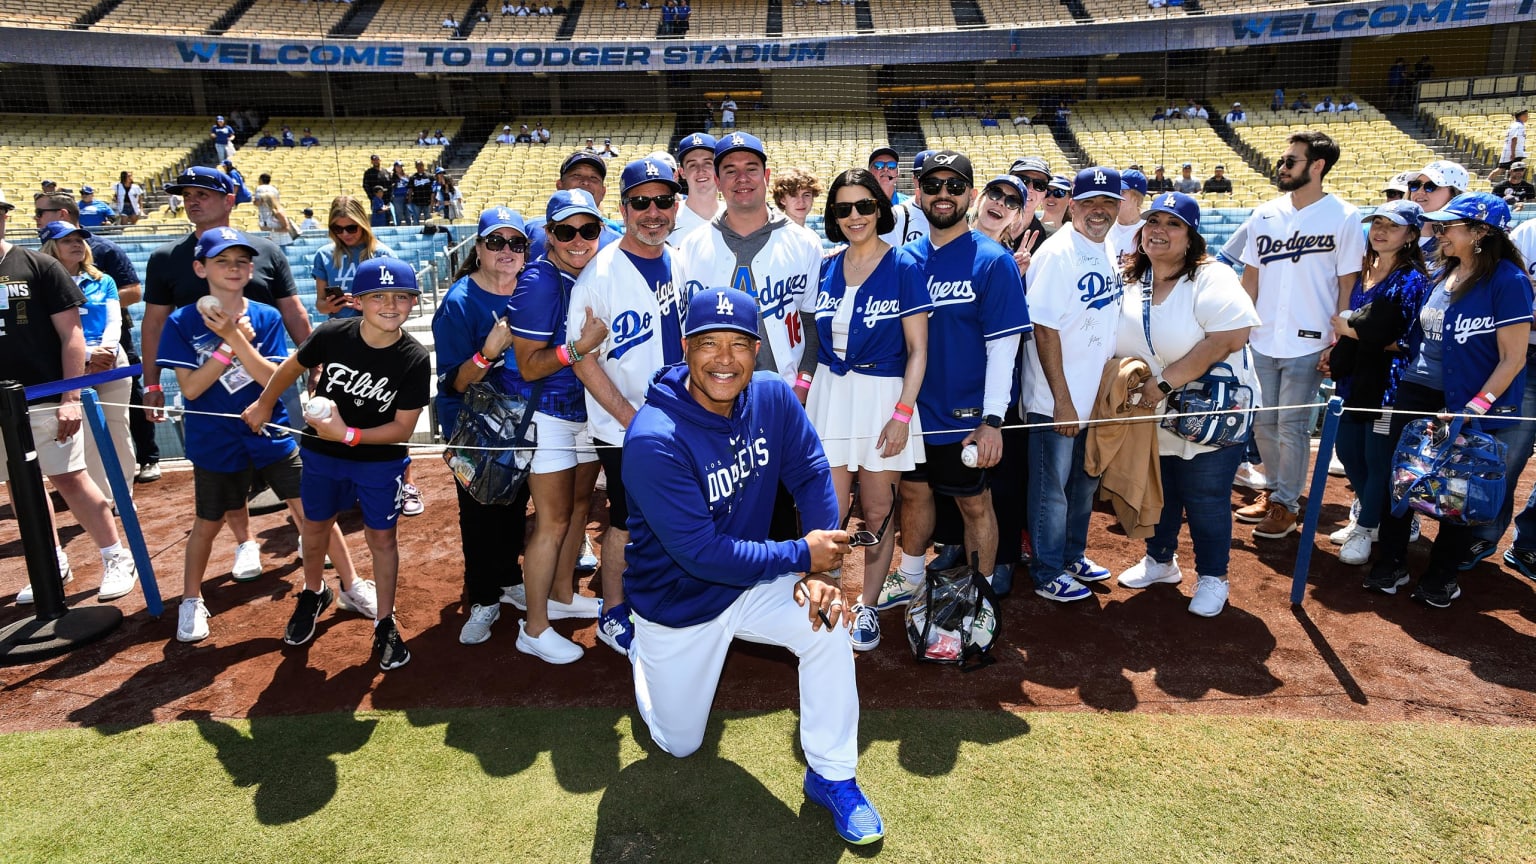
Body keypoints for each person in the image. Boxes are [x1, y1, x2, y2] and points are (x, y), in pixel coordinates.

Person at [621, 286, 883, 846]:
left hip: (751, 578)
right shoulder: (653, 438)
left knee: (829, 623)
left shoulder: (770, 394)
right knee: (679, 743)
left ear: (757, 347)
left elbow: (812, 472)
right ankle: (642, 653)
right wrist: (800, 555)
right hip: (680, 602)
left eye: (739, 344)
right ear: (684, 348)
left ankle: (833, 774)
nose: (724, 359)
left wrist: (819, 578)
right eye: (708, 344)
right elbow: (700, 553)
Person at [160, 229, 370, 642]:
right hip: (213, 436)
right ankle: (190, 599)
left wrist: (235, 338)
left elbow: (272, 378)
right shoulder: (181, 320)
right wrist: (226, 349)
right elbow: (191, 389)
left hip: (269, 429)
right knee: (208, 521)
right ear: (201, 268)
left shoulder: (266, 316)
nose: (234, 269)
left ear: (252, 268)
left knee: (314, 510)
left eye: (241, 261)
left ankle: (351, 584)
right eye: (222, 261)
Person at [243, 258, 431, 668]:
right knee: (315, 528)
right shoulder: (332, 334)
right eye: (378, 296)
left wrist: (348, 434)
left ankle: (384, 620)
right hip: (322, 456)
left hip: (379, 461)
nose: (390, 304)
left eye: (402, 296)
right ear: (358, 301)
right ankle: (314, 591)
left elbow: (402, 428)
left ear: (413, 302)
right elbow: (291, 366)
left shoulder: (414, 357)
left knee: (381, 539)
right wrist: (263, 403)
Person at [139, 167, 314, 581]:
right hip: (208, 388)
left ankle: (310, 535)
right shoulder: (166, 259)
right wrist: (150, 383)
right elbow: (153, 324)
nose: (192, 200)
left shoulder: (265, 251)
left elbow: (292, 309)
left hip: (268, 376)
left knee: (289, 463)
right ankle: (244, 542)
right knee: (225, 473)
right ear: (203, 269)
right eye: (187, 195)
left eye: (203, 193)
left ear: (229, 199)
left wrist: (314, 359)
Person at [1366, 194, 1531, 607]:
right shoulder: (1443, 273)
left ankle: (1441, 575)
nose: (1438, 233)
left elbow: (1514, 358)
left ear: (1481, 234)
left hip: (1472, 402)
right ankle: (1391, 562)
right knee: (1400, 480)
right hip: (1416, 391)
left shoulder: (1509, 281)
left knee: (1459, 492)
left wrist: (1475, 406)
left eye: (1448, 227)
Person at [887, 151, 1030, 606]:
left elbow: (1003, 349)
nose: (943, 194)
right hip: (911, 411)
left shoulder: (993, 261)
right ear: (918, 193)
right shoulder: (902, 258)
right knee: (912, 493)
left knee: (974, 503)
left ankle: (978, 591)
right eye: (933, 186)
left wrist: (992, 419)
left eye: (954, 186)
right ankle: (909, 575)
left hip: (965, 413)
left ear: (970, 193)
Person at [1112, 192, 1261, 617]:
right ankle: (1160, 561)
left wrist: (1163, 383)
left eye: (1172, 224)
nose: (1159, 230)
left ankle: (1214, 576)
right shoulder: (1131, 277)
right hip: (1154, 410)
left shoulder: (1212, 276)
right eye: (1153, 221)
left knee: (1206, 495)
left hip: (1209, 411)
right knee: (1162, 489)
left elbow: (1230, 338)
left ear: (1192, 236)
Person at [565, 159, 686, 656]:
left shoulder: (678, 260)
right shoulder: (600, 275)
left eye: (663, 201)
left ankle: (663, 593)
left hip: (680, 418)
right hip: (626, 427)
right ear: (623, 208)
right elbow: (583, 361)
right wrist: (632, 421)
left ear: (676, 206)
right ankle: (613, 610)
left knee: (678, 512)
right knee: (627, 520)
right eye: (641, 201)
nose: (653, 212)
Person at [806, 169, 930, 651]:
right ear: (834, 217)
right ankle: (829, 594)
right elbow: (815, 345)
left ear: (880, 208)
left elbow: (919, 349)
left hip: (883, 398)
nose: (854, 216)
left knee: (878, 510)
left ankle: (867, 606)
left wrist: (902, 414)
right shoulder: (827, 265)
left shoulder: (904, 265)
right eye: (843, 209)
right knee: (829, 509)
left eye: (864, 206)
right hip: (831, 397)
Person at [0, 196, 138, 606]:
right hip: (2, 405)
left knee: (69, 477)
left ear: (5, 218)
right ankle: (50, 559)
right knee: (19, 486)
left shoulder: (38, 266)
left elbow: (72, 336)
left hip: (44, 394)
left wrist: (70, 396)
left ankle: (116, 556)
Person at [1236, 131, 1364, 540]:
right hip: (1262, 336)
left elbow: (1348, 284)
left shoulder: (1344, 216)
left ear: (1317, 166)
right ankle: (1273, 491)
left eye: (1291, 161)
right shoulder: (1265, 213)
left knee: (1291, 426)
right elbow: (1251, 275)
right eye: (1283, 160)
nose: (1282, 167)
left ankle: (1287, 505)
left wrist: (1340, 339)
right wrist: (1238, 326)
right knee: (1262, 425)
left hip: (1310, 339)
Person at [501, 189, 610, 664]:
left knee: (581, 506)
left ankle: (564, 594)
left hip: (581, 408)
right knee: (554, 520)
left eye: (588, 229)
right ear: (549, 235)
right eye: (566, 231)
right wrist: (580, 348)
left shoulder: (592, 271)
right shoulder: (539, 282)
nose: (579, 239)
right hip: (543, 411)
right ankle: (535, 625)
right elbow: (528, 366)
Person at [1022, 167, 1124, 602]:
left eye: (1108, 202)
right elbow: (1043, 329)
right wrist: (1062, 401)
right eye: (1089, 202)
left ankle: (1070, 555)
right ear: (1072, 204)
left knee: (1082, 485)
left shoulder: (1110, 245)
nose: (1098, 211)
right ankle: (1047, 570)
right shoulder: (1058, 252)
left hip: (1089, 396)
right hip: (1055, 398)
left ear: (1119, 207)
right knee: (1052, 491)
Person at [435, 208, 536, 645]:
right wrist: (489, 351)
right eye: (496, 242)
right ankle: (483, 596)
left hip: (525, 420)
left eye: (516, 243)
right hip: (474, 427)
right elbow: (454, 381)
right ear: (478, 249)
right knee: (478, 512)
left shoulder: (534, 289)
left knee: (514, 504)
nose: (507, 251)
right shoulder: (459, 301)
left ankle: (509, 578)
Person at [1326, 200, 1431, 566]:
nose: (1381, 230)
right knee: (1349, 451)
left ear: (1411, 236)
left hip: (1389, 382)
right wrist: (1346, 339)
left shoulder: (1414, 280)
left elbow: (1407, 338)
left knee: (1377, 458)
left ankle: (1367, 525)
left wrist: (1351, 330)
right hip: (1354, 378)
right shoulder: (1363, 271)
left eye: (1393, 225)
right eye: (1378, 223)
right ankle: (1373, 514)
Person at [32, 194, 152, 483]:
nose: (77, 244)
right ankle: (102, 496)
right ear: (52, 247)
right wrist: (87, 355)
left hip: (111, 359)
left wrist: (107, 350)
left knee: (118, 429)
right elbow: (49, 331)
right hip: (72, 364)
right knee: (83, 434)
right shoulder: (41, 283)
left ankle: (123, 495)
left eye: (79, 240)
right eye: (68, 241)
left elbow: (114, 319)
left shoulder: (103, 279)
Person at [313, 195, 398, 321]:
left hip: (377, 330)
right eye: (338, 229)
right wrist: (330, 306)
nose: (345, 234)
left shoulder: (383, 255)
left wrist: (367, 306)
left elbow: (397, 302)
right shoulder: (323, 255)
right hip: (340, 330)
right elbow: (320, 305)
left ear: (362, 224)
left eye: (351, 228)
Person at [1409, 160, 1468, 252]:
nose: (1419, 191)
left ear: (1454, 194)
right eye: (1415, 185)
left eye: (1431, 186)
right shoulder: (1396, 232)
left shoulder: (1463, 242)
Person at [672, 132, 721, 240]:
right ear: (682, 172)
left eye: (707, 163)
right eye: (692, 165)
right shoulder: (668, 219)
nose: (700, 170)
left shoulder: (736, 215)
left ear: (718, 168)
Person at [1490, 110, 1528, 183]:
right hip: (1515, 152)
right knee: (1513, 169)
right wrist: (1513, 153)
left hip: (1514, 151)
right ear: (1521, 116)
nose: (1527, 117)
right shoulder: (1518, 126)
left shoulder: (1516, 125)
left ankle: (1488, 180)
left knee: (1502, 168)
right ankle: (1488, 181)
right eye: (1526, 115)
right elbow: (1514, 139)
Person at [390, 161, 411, 226]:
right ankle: (398, 227)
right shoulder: (392, 177)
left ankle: (409, 227)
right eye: (398, 167)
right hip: (397, 197)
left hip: (406, 196)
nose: (399, 168)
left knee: (408, 214)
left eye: (400, 167)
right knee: (399, 214)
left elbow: (409, 184)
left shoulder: (406, 176)